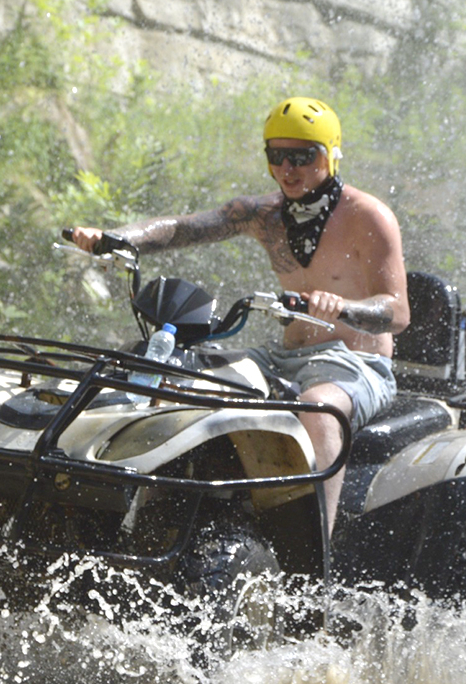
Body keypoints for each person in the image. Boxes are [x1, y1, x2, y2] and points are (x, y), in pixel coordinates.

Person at [71, 96, 409, 535]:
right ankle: (147, 522)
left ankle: (312, 560)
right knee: (185, 378)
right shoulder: (262, 214)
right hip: (282, 356)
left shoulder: (369, 217)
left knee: (319, 407)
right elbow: (184, 228)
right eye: (277, 156)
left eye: (303, 157)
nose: (288, 168)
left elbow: (397, 311)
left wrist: (344, 307)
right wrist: (117, 239)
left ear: (330, 154)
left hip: (356, 364)